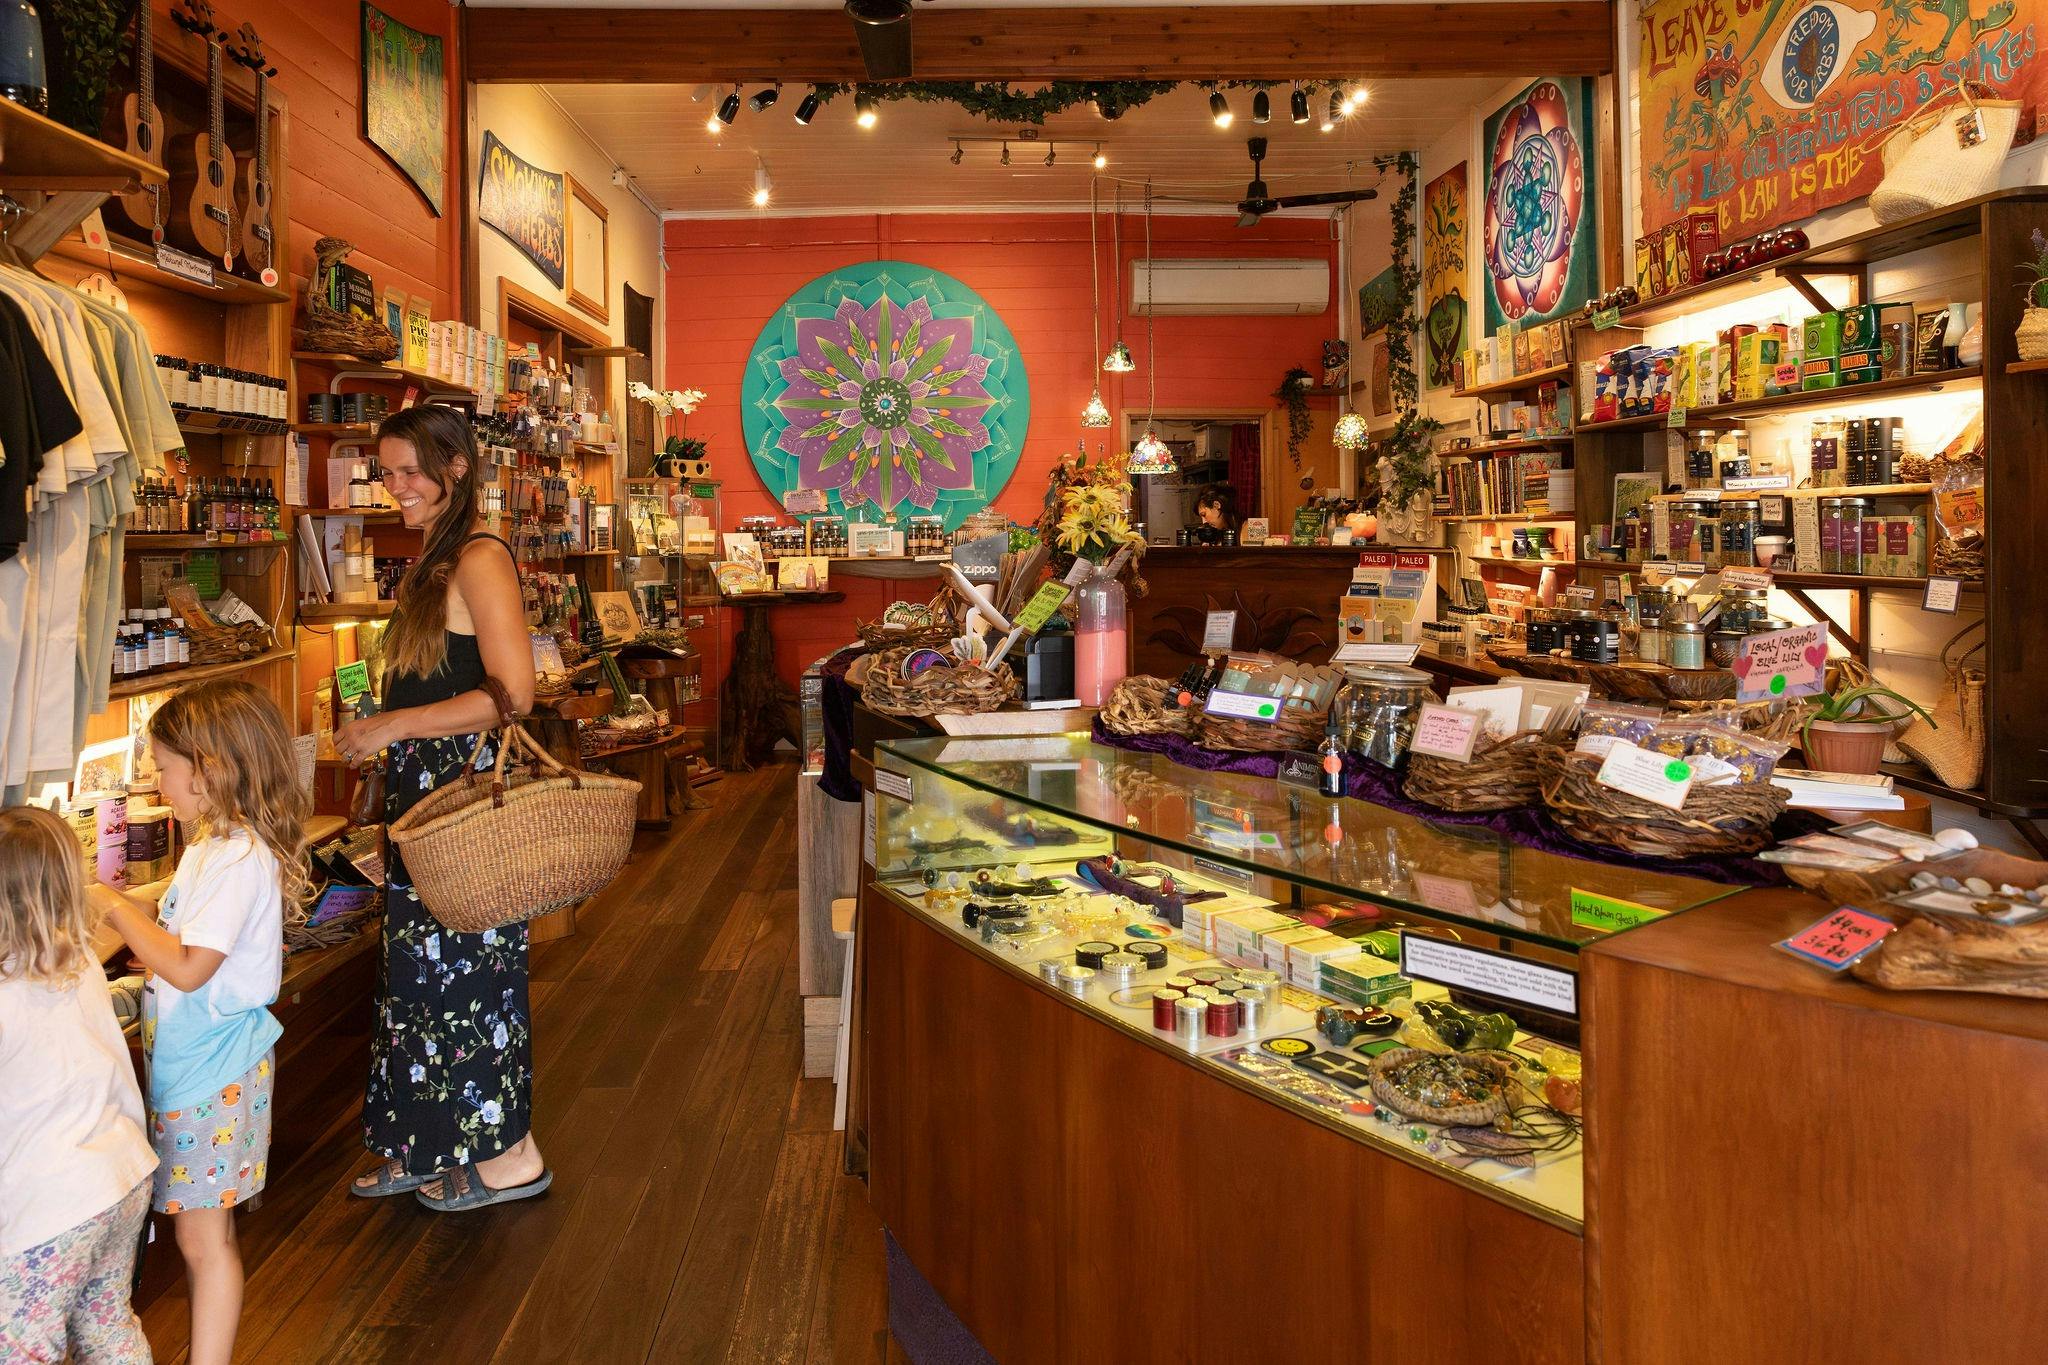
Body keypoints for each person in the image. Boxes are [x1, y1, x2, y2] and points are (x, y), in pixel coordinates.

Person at [337, 404, 547, 1212]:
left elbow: (513, 694)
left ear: (456, 467)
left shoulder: (479, 557)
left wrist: (396, 723)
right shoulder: (435, 554)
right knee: (418, 981)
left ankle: (505, 1157)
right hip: (422, 796)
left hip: (460, 799)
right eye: (387, 473)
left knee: (469, 977)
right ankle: (426, 1143)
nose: (397, 488)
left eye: (411, 471)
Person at [92, 680, 309, 1365]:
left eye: (165, 767)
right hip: (201, 1067)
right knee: (198, 1235)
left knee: (202, 1241)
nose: (159, 783)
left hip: (213, 1076)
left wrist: (111, 906)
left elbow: (188, 967)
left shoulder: (237, 856)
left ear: (210, 770)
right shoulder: (213, 843)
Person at [0, 806, 158, 1364]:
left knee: (20, 1349)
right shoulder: (81, 960)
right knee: (108, 1326)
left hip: (49, 1203)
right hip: (121, 1175)